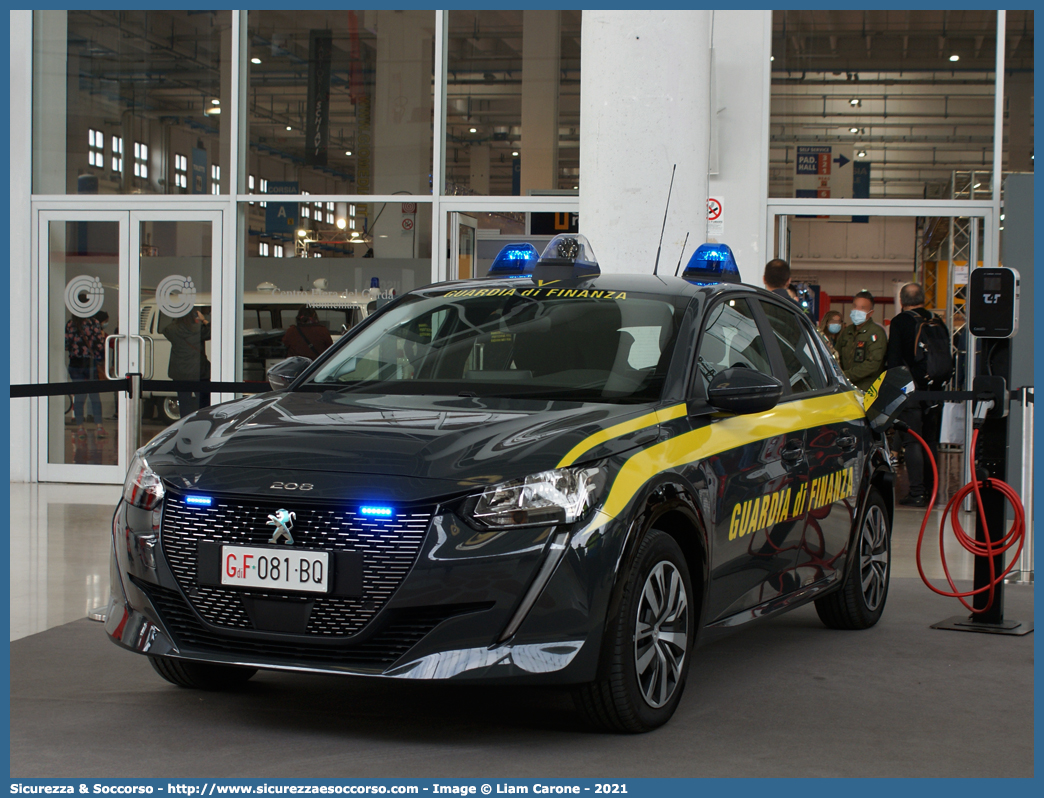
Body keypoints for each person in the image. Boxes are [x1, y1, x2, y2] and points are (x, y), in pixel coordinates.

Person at [886, 282, 947, 507]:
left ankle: (917, 492)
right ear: (923, 299)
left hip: (911, 389)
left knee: (913, 442)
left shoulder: (900, 321)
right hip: (935, 390)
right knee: (930, 441)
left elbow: (894, 360)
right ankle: (932, 491)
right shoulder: (937, 320)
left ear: (901, 301)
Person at [65, 312, 107, 439]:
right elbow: (99, 344)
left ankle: (80, 427)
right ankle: (99, 426)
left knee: (79, 396)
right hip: (89, 363)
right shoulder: (93, 323)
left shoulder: (70, 324)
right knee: (94, 395)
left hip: (75, 364)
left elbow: (66, 345)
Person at [836, 290, 887, 392]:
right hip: (845, 387)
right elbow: (836, 354)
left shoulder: (876, 333)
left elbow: (872, 365)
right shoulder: (847, 331)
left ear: (870, 313)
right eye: (855, 306)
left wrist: (846, 376)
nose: (857, 311)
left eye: (862, 308)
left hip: (866, 389)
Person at [163, 309, 211, 417]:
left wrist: (177, 318)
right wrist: (204, 320)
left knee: (184, 404)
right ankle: (202, 424)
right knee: (203, 404)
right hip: (198, 371)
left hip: (180, 373)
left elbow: (165, 330)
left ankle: (185, 426)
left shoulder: (172, 329)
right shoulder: (198, 330)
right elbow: (213, 332)